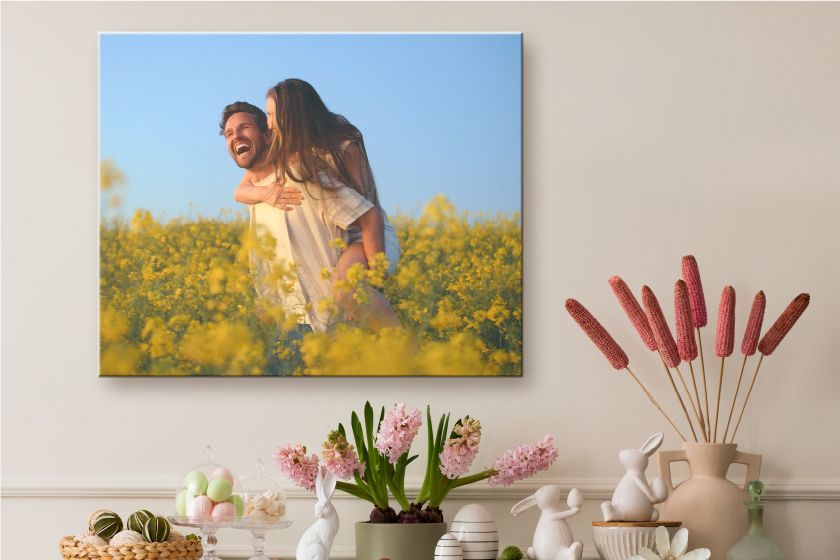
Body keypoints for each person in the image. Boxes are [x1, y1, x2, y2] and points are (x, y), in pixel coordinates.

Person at [222, 80, 400, 332]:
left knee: (346, 289)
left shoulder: (343, 143)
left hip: (367, 234)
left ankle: (403, 349)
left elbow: (366, 208)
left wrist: (373, 280)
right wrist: (266, 194)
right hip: (344, 232)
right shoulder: (289, 154)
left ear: (290, 115)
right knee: (345, 294)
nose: (269, 123)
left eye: (271, 115)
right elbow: (240, 190)